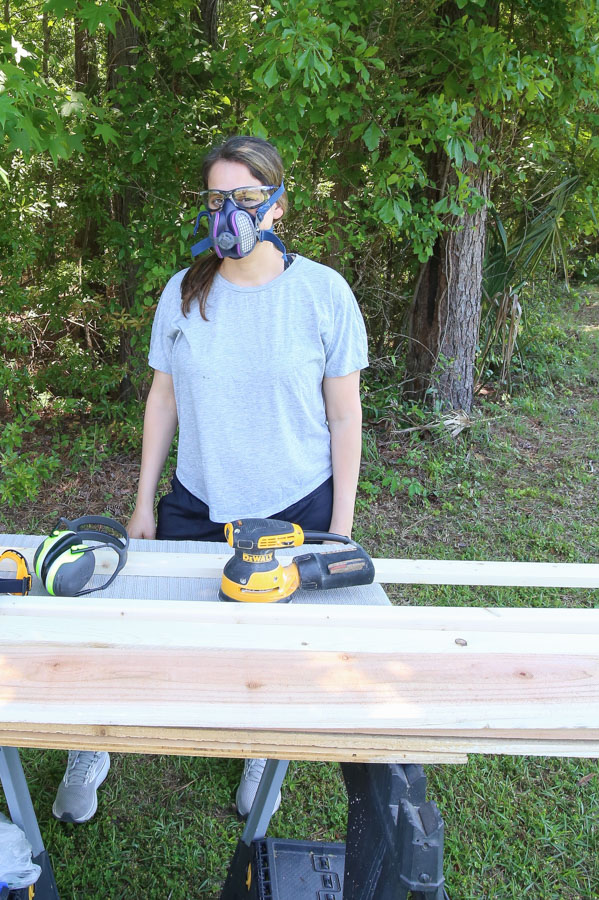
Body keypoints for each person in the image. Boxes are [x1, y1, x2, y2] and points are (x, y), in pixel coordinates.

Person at [52, 135, 368, 822]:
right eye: (219, 197)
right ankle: (94, 738)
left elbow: (345, 419)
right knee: (146, 629)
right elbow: (161, 399)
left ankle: (261, 744)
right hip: (197, 500)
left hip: (293, 506)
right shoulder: (183, 291)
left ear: (279, 205)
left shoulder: (322, 294)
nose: (232, 212)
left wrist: (338, 532)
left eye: (248, 197)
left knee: (272, 642)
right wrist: (143, 503)